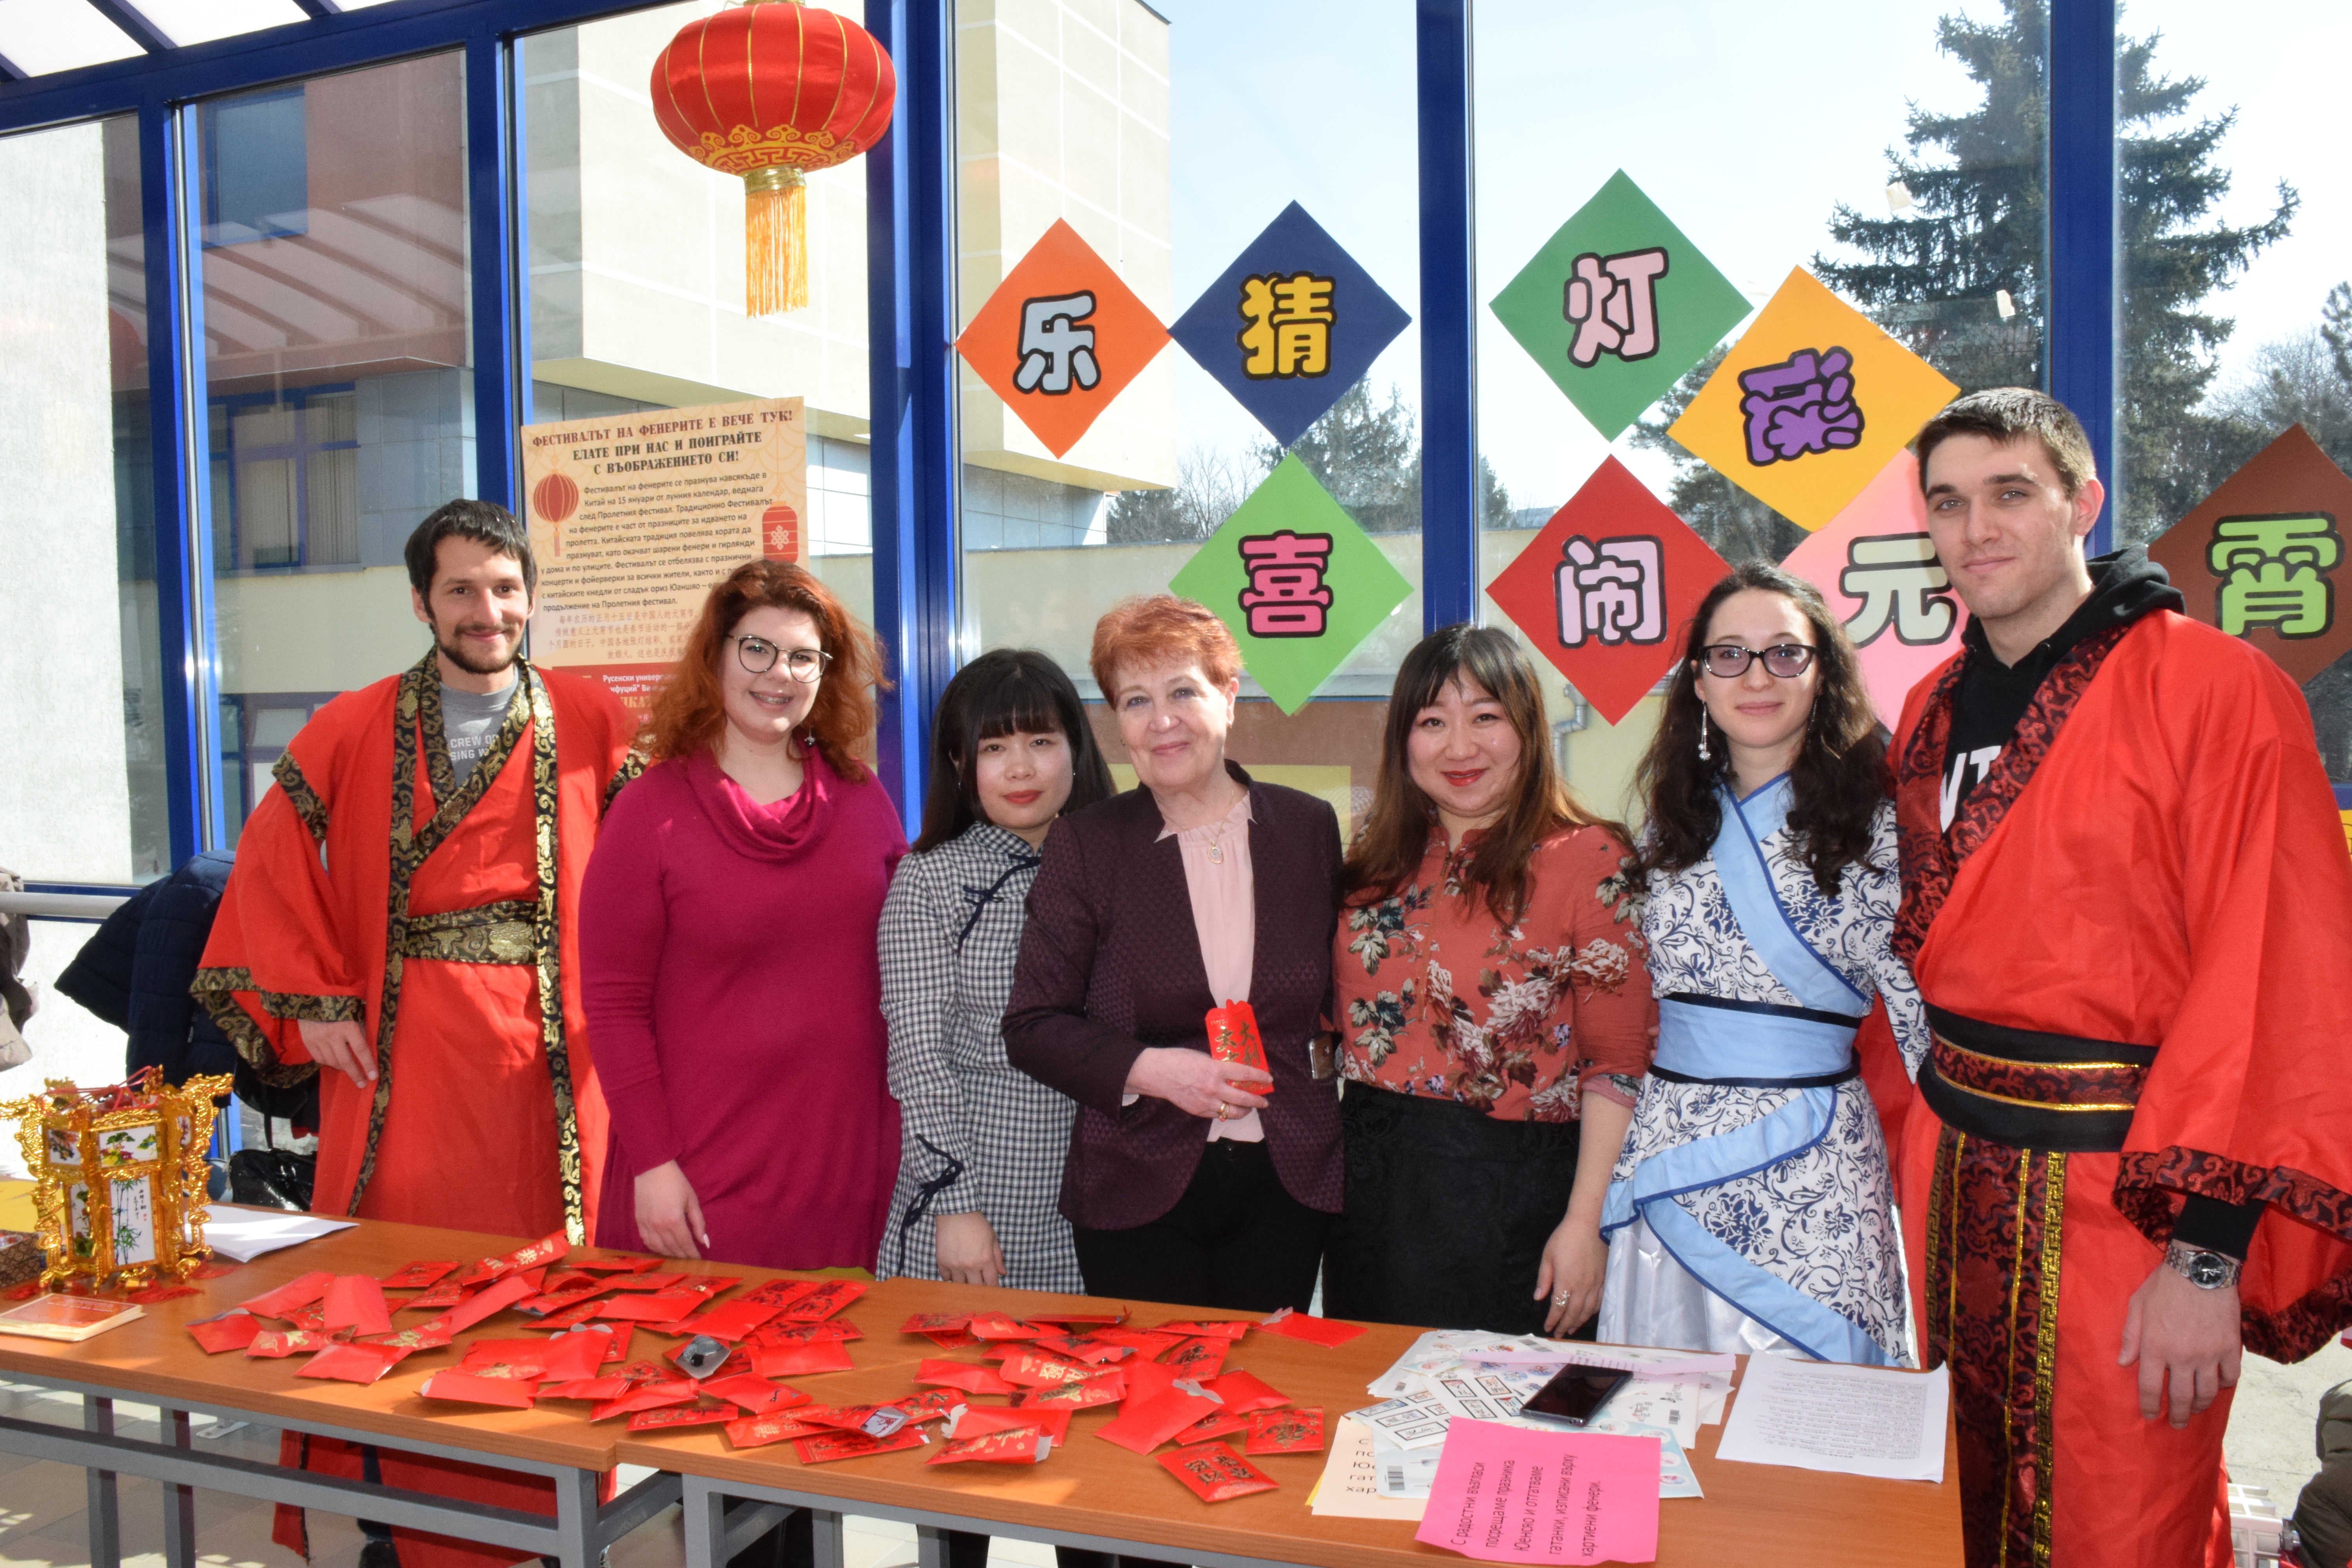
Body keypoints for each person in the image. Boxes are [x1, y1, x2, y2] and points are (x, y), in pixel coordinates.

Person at [1891, 387, 2352, 1568]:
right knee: (1949, 1511)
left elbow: (2275, 978)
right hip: (1950, 1187)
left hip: (2127, 1203)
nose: (1976, 529)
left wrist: (2206, 1260)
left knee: (2121, 1517)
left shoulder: (2216, 688)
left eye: (2011, 494)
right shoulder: (1930, 712)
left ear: (2084, 504)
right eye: (1948, 503)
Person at [191, 498, 640, 1568]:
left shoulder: (592, 717)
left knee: (543, 1285)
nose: (487, 609)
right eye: (461, 590)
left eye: (505, 587)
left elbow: (652, 868)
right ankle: (403, 1525)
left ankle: (548, 1517)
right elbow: (270, 859)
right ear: (421, 600)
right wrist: (316, 997)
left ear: (530, 596)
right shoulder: (352, 722)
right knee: (397, 1289)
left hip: (553, 1056)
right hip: (405, 1054)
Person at [1596, 566, 1928, 1367]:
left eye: (1784, 653)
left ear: (1823, 674)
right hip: (1672, 1149)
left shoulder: (1882, 828)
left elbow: (1923, 1016)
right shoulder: (1668, 826)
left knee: (1809, 1425)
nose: (1755, 677)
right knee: (1670, 1414)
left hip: (1814, 1163)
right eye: (1730, 655)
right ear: (1698, 682)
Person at [1003, 594, 1343, 1313]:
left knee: (1266, 1392)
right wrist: (1153, 1071)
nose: (1161, 720)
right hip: (1136, 1178)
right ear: (1115, 721)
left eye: (1183, 691)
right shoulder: (1087, 844)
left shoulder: (1308, 829)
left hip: (1286, 1176)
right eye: (1135, 700)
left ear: (1228, 696)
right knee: (1148, 1402)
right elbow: (1033, 1024)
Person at [1321, 625, 1651, 1336]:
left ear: (1527, 729)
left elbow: (1619, 1065)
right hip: (1372, 1179)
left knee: (1496, 1425)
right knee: (1372, 1407)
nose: (1459, 747)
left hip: (1515, 1188)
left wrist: (1585, 1224)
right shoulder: (1373, 858)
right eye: (1432, 722)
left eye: (1486, 718)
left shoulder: (1589, 859)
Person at [580, 559, 906, 1270]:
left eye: (803, 657)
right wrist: (652, 1164)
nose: (778, 674)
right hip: (697, 1177)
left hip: (847, 1167)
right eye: (756, 649)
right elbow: (612, 1007)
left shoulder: (863, 800)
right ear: (716, 657)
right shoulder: (649, 811)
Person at [878, 649, 1114, 1289]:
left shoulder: (1121, 868)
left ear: (1076, 749)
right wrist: (956, 1206)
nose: (1020, 767)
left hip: (1108, 1195)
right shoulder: (930, 880)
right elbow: (919, 1061)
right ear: (960, 762)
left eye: (1041, 740)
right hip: (981, 1199)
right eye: (993, 747)